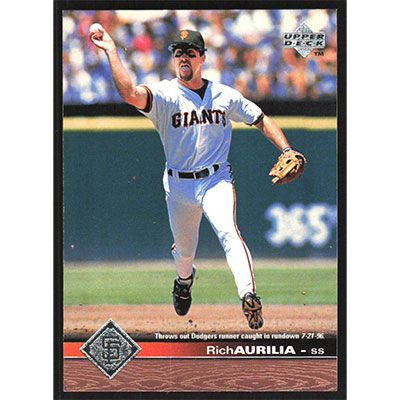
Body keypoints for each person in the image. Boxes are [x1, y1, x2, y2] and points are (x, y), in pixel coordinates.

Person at [90, 26, 298, 330]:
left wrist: (287, 149)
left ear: (202, 57)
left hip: (216, 179)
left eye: (190, 52)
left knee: (229, 233)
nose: (183, 57)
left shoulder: (224, 95)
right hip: (178, 185)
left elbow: (260, 118)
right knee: (185, 251)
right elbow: (129, 93)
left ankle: (248, 295)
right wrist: (111, 50)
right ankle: (184, 281)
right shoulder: (165, 95)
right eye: (178, 52)